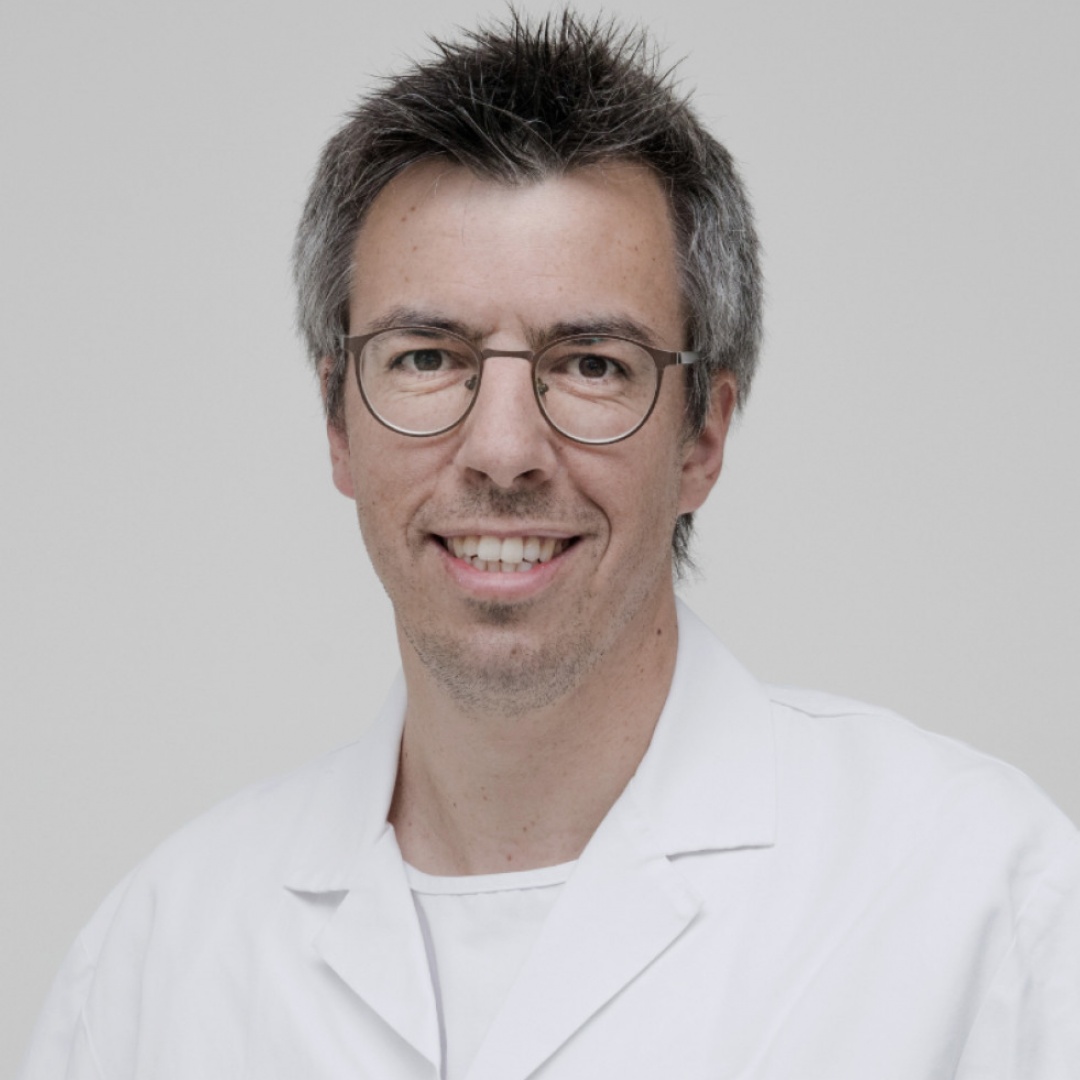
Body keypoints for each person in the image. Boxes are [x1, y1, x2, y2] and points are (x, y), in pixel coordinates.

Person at [18, 11, 1080, 1079]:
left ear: (703, 438)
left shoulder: (978, 905)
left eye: (592, 364)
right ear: (339, 424)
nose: (503, 451)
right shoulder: (157, 964)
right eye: (427, 357)